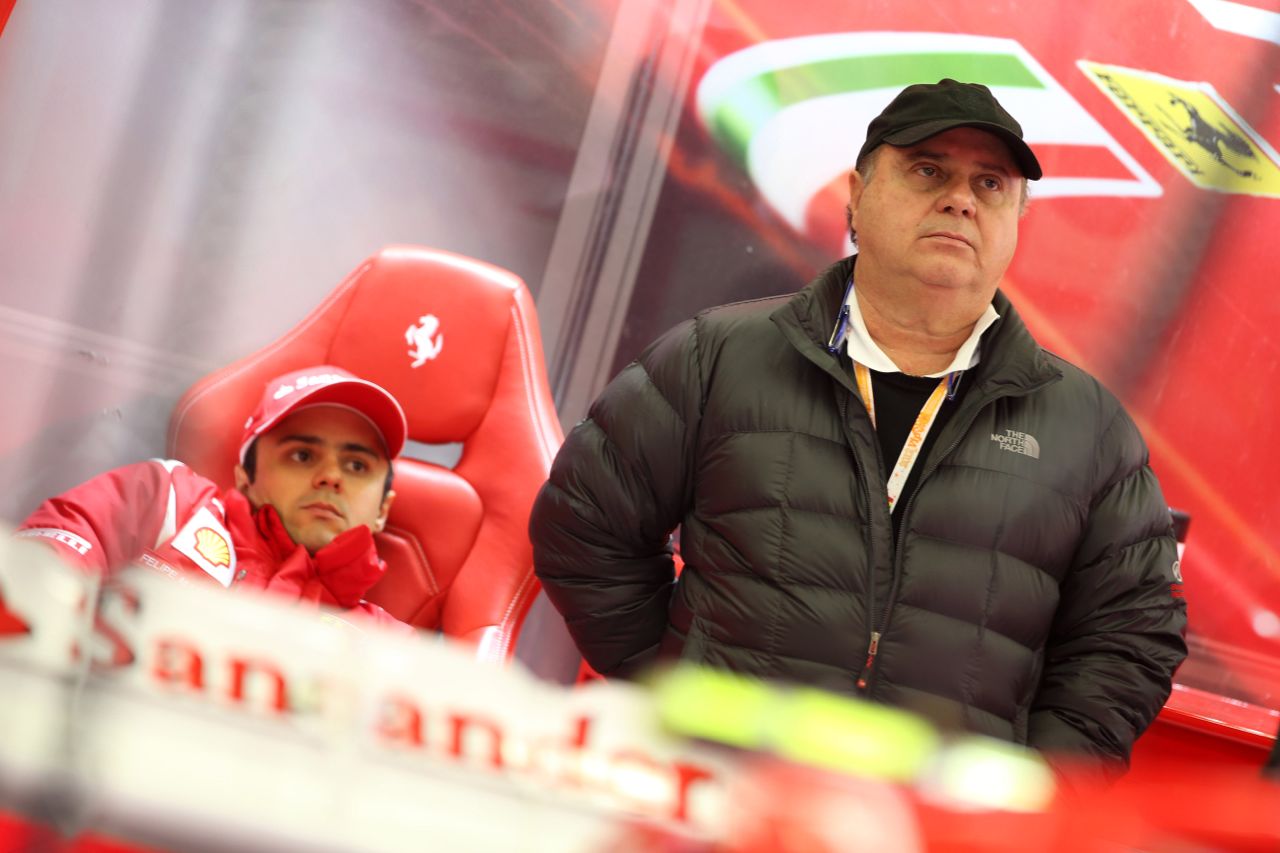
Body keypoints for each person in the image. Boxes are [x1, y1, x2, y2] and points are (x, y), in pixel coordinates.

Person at [529, 79, 1188, 777]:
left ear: (1015, 222)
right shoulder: (718, 357)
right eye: (927, 169)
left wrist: (1027, 790)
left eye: (991, 184)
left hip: (936, 828)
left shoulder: (1087, 429)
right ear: (857, 193)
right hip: (722, 799)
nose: (961, 199)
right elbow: (582, 523)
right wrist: (676, 685)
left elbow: (1132, 637)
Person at [18, 365, 409, 629]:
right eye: (302, 455)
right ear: (245, 478)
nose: (330, 477)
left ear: (383, 510)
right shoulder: (169, 501)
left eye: (357, 465)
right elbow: (35, 571)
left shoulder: (392, 648)